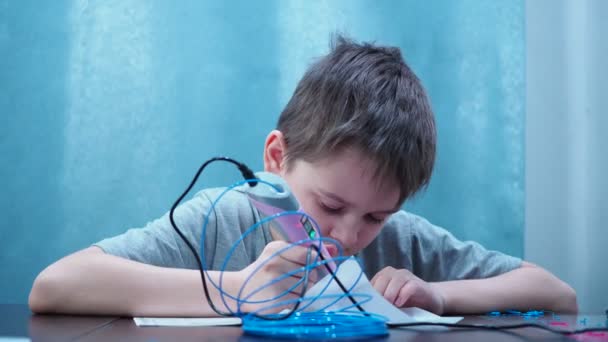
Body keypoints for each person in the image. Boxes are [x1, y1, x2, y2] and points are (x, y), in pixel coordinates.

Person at [29, 36, 577, 317]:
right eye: (331, 205)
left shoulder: (400, 240)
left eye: (375, 215)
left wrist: (435, 294)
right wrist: (238, 290)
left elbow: (557, 294)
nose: (347, 236)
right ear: (276, 158)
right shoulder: (226, 219)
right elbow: (54, 287)